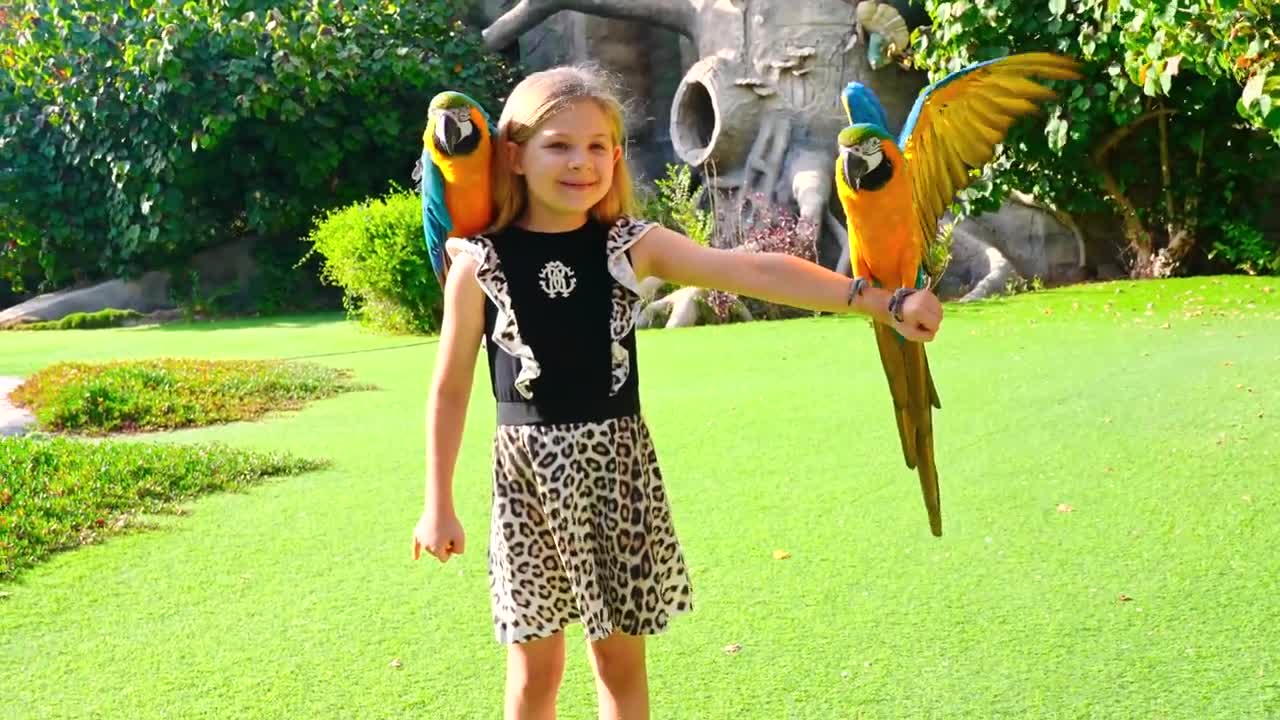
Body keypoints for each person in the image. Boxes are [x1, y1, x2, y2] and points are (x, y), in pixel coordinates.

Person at [411, 64, 943, 720]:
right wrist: (437, 504)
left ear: (616, 157)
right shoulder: (478, 265)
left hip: (617, 473)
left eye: (598, 146)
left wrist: (879, 300)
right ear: (514, 156)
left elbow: (750, 269)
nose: (581, 162)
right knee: (533, 675)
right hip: (525, 483)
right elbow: (449, 391)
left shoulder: (630, 246)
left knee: (620, 666)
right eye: (559, 145)